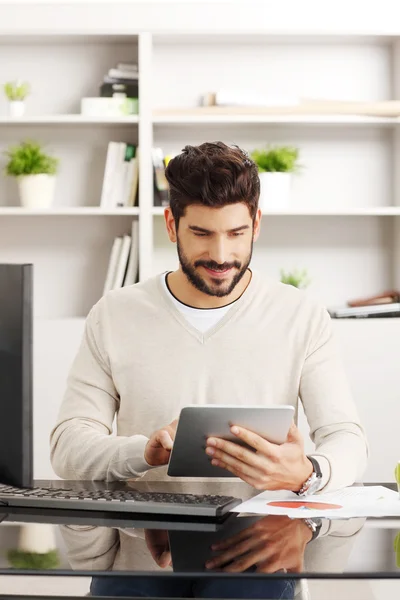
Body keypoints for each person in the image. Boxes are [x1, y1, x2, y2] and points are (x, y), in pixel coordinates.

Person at [50, 141, 368, 493]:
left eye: (236, 234)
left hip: (267, 538)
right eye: (202, 234)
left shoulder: (301, 315)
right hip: (151, 539)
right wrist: (143, 452)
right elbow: (67, 448)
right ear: (172, 225)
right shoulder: (113, 315)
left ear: (256, 224)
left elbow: (346, 437)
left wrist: (309, 474)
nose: (221, 255)